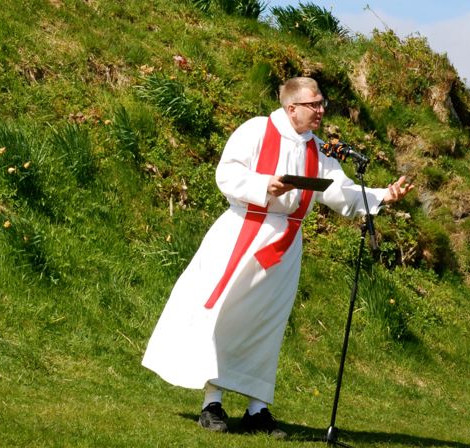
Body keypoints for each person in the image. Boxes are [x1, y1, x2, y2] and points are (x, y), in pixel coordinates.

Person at [141, 77, 413, 437]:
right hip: (243, 232)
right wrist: (264, 185)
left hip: (286, 244)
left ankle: (257, 409)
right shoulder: (256, 130)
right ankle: (212, 402)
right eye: (314, 104)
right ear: (292, 108)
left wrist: (382, 195)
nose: (320, 110)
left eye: (321, 103)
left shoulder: (317, 149)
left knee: (267, 323)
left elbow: (342, 193)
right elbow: (227, 173)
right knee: (224, 314)